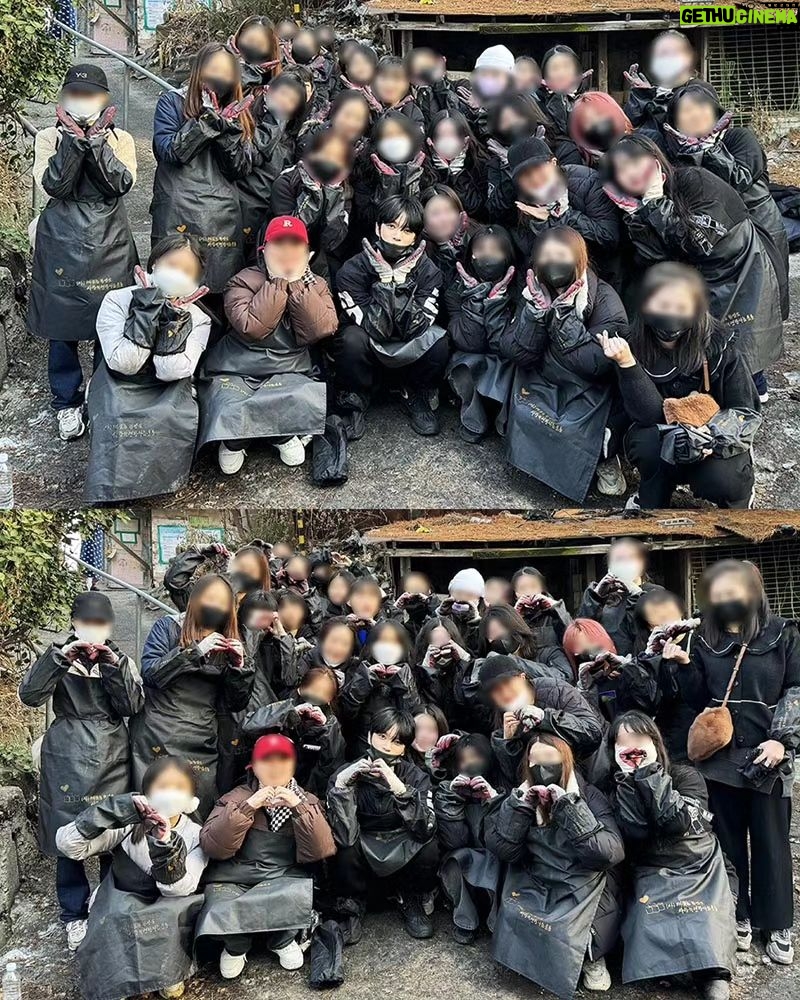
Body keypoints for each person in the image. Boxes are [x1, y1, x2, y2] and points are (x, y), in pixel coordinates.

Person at [671, 559, 800, 965]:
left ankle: (776, 923)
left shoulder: (783, 634)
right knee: (727, 842)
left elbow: (797, 688)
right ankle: (738, 912)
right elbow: (697, 699)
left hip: (768, 756)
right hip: (721, 759)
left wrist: (783, 741)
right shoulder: (704, 638)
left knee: (771, 842)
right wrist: (683, 666)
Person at [603, 135, 783, 390]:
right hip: (695, 280)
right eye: (621, 171)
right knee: (703, 346)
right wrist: (637, 216)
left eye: (635, 162)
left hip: (736, 269)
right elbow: (655, 258)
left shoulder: (695, 180)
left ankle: (752, 390)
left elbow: (699, 242)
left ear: (654, 160)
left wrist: (655, 205)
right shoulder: (641, 204)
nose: (630, 173)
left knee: (744, 345)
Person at [19, 591, 144, 952]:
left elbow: (132, 706)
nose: (93, 628)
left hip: (111, 751)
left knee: (111, 829)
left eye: (100, 622)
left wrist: (112, 665)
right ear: (74, 622)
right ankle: (73, 914)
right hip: (66, 751)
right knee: (67, 830)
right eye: (87, 622)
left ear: (110, 625)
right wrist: (60, 659)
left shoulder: (121, 660)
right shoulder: (57, 655)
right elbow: (30, 695)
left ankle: (105, 905)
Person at [29, 64, 137, 442]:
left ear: (104, 99)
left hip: (110, 239)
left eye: (90, 94)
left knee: (111, 319)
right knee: (62, 323)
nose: (83, 100)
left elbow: (120, 183)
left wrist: (97, 142)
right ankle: (66, 401)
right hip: (61, 239)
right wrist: (73, 141)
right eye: (75, 93)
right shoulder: (48, 137)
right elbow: (54, 185)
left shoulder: (121, 138)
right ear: (64, 97)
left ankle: (103, 393)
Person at [601, 262, 761, 509]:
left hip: (712, 435)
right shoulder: (630, 344)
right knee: (646, 445)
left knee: (723, 481)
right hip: (661, 433)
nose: (671, 314)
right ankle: (654, 491)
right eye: (663, 305)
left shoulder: (721, 346)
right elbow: (646, 416)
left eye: (681, 307)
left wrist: (712, 436)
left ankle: (738, 494)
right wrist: (627, 364)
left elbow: (746, 411)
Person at [55, 757, 207, 1000]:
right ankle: (119, 979)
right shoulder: (127, 826)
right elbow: (68, 845)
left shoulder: (196, 835)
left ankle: (167, 974)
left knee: (170, 918)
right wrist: (110, 810)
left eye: (179, 787)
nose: (170, 794)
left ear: (192, 798)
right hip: (122, 900)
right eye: (162, 786)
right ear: (146, 793)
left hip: (166, 905)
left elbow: (178, 888)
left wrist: (164, 845)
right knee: (115, 917)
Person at [608, 712, 736, 999]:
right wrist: (629, 782)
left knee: (705, 916)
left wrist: (650, 774)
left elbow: (678, 823)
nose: (632, 748)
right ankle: (671, 967)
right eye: (623, 742)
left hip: (696, 860)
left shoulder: (686, 775)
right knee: (648, 917)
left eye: (638, 739)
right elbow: (635, 832)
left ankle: (713, 973)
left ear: (655, 742)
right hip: (651, 865)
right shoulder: (615, 784)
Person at [485, 733, 624, 996]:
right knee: (522, 912)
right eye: (534, 760)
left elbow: (609, 853)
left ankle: (591, 956)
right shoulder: (523, 794)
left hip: (581, 881)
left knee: (584, 923)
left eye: (550, 758)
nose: (542, 766)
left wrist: (570, 807)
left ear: (565, 759)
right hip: (539, 877)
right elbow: (504, 850)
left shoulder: (590, 795)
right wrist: (519, 807)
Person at [198, 215, 336, 476]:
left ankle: (280, 436)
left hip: (290, 366)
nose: (287, 251)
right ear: (263, 249)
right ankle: (235, 441)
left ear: (307, 251)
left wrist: (297, 284)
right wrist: (277, 282)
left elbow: (322, 329)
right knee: (226, 401)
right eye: (279, 244)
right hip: (238, 366)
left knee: (294, 396)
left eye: (295, 244)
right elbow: (253, 328)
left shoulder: (317, 284)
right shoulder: (241, 280)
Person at [500, 226, 628, 501]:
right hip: (544, 376)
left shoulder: (605, 299)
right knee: (526, 411)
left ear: (579, 258)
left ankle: (605, 459)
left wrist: (562, 315)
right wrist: (535, 314)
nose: (553, 262)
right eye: (546, 256)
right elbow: (515, 351)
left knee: (580, 431)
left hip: (588, 385)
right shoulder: (534, 290)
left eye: (561, 255)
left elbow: (596, 365)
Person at [196, 734, 336, 979]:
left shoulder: (306, 799)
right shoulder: (236, 796)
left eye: (283, 760)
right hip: (234, 878)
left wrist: (299, 807)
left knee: (296, 896)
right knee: (217, 904)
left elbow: (321, 850)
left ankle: (282, 941)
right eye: (266, 760)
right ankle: (236, 946)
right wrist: (248, 807)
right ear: (253, 766)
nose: (275, 767)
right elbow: (212, 847)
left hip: (283, 876)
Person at [85, 235, 211, 502]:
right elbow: (124, 363)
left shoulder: (198, 318)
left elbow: (171, 370)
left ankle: (159, 483)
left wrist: (173, 324)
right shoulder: (117, 299)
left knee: (168, 416)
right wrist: (145, 312)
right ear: (154, 263)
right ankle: (112, 488)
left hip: (167, 386)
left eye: (187, 271)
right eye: (172, 265)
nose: (177, 274)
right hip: (118, 381)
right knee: (116, 416)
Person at [665, 84, 790, 323]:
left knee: (765, 298)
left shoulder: (739, 137)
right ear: (674, 122)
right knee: (725, 308)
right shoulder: (676, 153)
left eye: (701, 106)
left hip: (758, 223)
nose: (695, 114)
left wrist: (709, 149)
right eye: (686, 110)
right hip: (716, 236)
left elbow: (740, 179)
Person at [130, 574, 253, 815]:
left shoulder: (231, 639)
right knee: (154, 807)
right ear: (195, 599)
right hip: (159, 730)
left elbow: (236, 703)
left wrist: (240, 668)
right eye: (210, 598)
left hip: (202, 735)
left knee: (196, 807)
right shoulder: (168, 626)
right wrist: (194, 652)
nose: (215, 606)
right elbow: (151, 674)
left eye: (222, 602)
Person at [334, 195, 448, 437]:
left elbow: (417, 328)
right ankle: (357, 397)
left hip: (408, 342)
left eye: (406, 230)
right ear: (378, 228)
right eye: (391, 226)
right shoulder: (353, 269)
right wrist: (386, 282)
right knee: (350, 338)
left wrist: (402, 282)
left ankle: (415, 393)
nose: (397, 236)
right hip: (371, 343)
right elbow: (376, 329)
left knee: (439, 341)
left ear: (416, 237)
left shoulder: (428, 271)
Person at [151, 43, 253, 311]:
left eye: (227, 71)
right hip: (177, 210)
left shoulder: (238, 112)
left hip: (222, 216)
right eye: (213, 68)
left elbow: (240, 168)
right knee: (173, 290)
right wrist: (207, 121)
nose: (220, 76)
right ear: (198, 69)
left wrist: (228, 129)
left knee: (219, 295)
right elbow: (170, 151)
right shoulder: (172, 101)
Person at [327, 708, 439, 940]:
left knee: (430, 846)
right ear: (370, 736)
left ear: (405, 747)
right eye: (382, 736)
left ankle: (410, 898)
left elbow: (425, 829)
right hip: (363, 842)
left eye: (397, 742)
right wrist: (342, 788)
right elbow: (344, 835)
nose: (387, 747)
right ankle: (352, 903)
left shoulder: (416, 776)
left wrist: (400, 789)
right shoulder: (346, 773)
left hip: (401, 842)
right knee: (342, 848)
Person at [507, 135, 620, 285]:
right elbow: (532, 253)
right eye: (525, 175)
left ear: (553, 163)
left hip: (604, 272)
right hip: (559, 278)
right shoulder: (524, 202)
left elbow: (608, 238)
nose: (534, 178)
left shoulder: (588, 181)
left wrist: (562, 214)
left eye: (538, 168)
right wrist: (542, 225)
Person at [467, 654, 603, 772]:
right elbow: (513, 776)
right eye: (495, 690)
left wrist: (545, 718)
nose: (504, 692)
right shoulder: (500, 717)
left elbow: (593, 732)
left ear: (522, 677)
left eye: (507, 683)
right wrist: (507, 742)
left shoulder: (557, 690)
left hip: (586, 765)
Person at [445, 225, 518, 445]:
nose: (487, 256)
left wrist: (496, 303)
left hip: (504, 357)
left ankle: (505, 422)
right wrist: (475, 298)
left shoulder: (520, 290)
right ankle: (474, 420)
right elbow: (469, 342)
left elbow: (503, 345)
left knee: (515, 367)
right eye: (480, 250)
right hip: (471, 354)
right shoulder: (456, 288)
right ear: (471, 255)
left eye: (495, 250)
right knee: (465, 365)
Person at [434, 732, 504, 943]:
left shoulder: (502, 789)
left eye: (476, 757)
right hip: (466, 860)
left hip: (495, 859)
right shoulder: (447, 790)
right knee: (455, 860)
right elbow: (454, 841)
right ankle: (466, 921)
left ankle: (497, 922)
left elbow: (505, 841)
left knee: (498, 861)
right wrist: (453, 797)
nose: (470, 764)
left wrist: (492, 800)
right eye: (463, 760)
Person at [242, 666, 345, 797]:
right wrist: (289, 714)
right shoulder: (283, 706)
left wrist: (325, 729)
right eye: (313, 690)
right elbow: (249, 727)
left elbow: (330, 768)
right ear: (301, 688)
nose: (316, 697)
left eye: (324, 694)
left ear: (330, 699)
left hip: (304, 791)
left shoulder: (331, 725)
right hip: (265, 782)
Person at [238, 73, 307, 263]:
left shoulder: (290, 143)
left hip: (263, 213)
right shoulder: (246, 119)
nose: (285, 101)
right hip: (235, 204)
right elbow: (248, 158)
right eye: (283, 93)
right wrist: (275, 119)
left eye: (292, 100)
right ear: (268, 91)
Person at [270, 129, 354, 281]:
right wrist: (313, 192)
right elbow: (291, 231)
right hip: (280, 254)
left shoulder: (344, 191)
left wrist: (332, 192)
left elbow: (331, 242)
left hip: (317, 259)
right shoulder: (287, 181)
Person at [486, 94, 581, 222]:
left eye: (518, 118)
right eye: (505, 122)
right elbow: (494, 212)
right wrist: (511, 169)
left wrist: (537, 156)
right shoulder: (496, 161)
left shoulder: (562, 148)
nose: (513, 125)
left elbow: (577, 194)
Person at [340, 621, 422, 755]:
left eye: (394, 642)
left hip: (396, 749)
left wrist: (403, 682)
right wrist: (365, 678)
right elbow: (346, 712)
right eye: (383, 640)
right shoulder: (356, 668)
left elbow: (414, 717)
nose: (388, 647)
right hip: (361, 747)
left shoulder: (412, 672)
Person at [624, 29, 716, 135]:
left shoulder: (701, 88)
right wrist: (641, 94)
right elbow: (630, 123)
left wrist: (657, 101)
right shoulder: (655, 87)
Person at [577, 537, 659, 654]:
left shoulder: (655, 592)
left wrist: (636, 594)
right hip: (606, 660)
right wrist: (595, 597)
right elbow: (581, 630)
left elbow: (654, 631)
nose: (624, 564)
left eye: (630, 559)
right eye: (618, 559)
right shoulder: (600, 594)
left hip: (641, 661)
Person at [479, 604, 572, 682]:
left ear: (513, 627)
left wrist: (511, 661)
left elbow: (564, 676)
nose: (491, 640)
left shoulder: (547, 648)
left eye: (495, 632)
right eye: (488, 637)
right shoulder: (489, 659)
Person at [422, 110, 488, 220]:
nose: (447, 141)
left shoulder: (479, 164)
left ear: (464, 139)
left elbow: (476, 209)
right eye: (440, 136)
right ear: (431, 141)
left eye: (453, 135)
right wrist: (443, 172)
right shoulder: (424, 166)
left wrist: (457, 174)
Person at [421, 185, 476, 311]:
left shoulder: (479, 237)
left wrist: (460, 247)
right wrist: (444, 247)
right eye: (435, 213)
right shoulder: (422, 257)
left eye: (450, 210)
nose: (444, 219)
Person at [413, 618, 472, 726]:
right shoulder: (417, 673)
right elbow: (423, 708)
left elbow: (471, 704)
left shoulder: (464, 667)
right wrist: (427, 670)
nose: (441, 647)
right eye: (434, 641)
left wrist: (464, 662)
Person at [536, 45, 593, 140]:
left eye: (567, 67)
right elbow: (563, 130)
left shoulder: (590, 101)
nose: (561, 74)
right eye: (555, 68)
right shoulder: (536, 103)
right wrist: (558, 94)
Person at [569, 91, 633, 167]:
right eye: (588, 120)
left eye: (600, 114)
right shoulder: (578, 161)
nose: (597, 122)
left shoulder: (639, 144)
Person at [228, 15, 282, 95]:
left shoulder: (274, 83)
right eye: (249, 40)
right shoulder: (220, 60)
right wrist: (247, 73)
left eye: (260, 45)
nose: (253, 46)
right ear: (239, 37)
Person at [368, 55, 425, 128]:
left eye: (397, 79)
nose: (389, 84)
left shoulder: (413, 114)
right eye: (383, 77)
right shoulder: (364, 107)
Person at [287, 29, 334, 110]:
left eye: (308, 42)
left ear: (316, 52)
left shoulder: (323, 71)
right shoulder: (279, 59)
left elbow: (321, 101)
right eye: (300, 39)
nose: (303, 43)